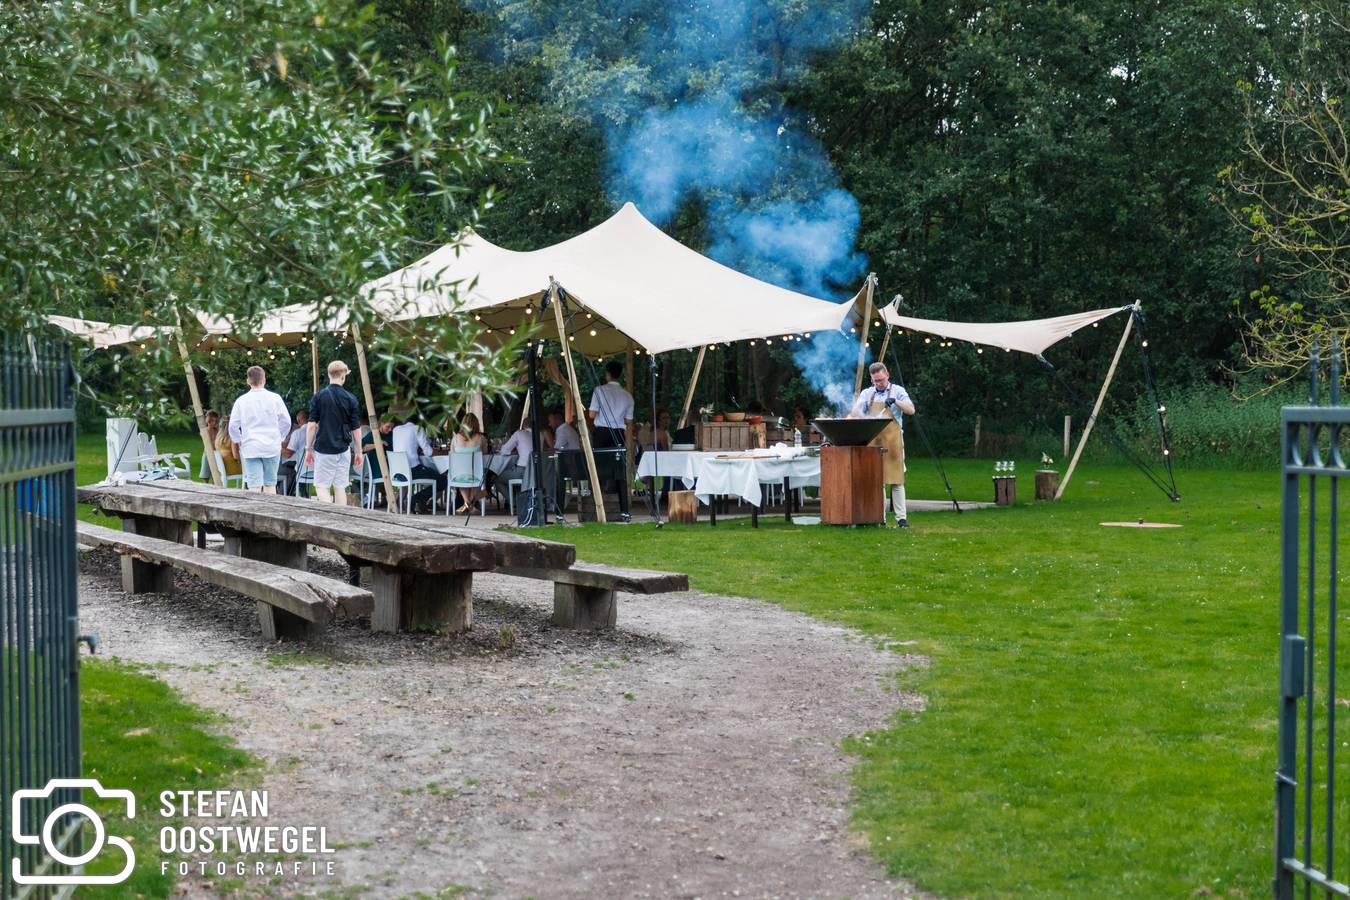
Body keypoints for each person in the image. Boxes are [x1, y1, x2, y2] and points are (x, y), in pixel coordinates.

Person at [850, 361, 916, 527]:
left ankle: (901, 518)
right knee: (876, 479)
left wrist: (895, 401)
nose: (878, 384)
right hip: (874, 439)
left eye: (880, 380)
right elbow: (854, 413)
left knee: (897, 479)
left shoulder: (898, 390)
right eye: (875, 381)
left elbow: (911, 410)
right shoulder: (867, 393)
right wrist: (862, 407)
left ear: (887, 375)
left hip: (893, 438)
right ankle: (879, 517)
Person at [304, 360, 363, 505]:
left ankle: (328, 516)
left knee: (322, 487)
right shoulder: (351, 398)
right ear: (343, 375)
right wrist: (359, 451)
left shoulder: (318, 397)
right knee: (340, 487)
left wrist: (308, 449)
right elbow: (356, 429)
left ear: (329, 374)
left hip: (324, 449)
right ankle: (340, 521)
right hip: (344, 450)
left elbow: (311, 426)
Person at [227, 366, 291, 494]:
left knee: (254, 485)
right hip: (271, 446)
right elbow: (286, 421)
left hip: (251, 446)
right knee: (270, 484)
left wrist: (239, 440)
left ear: (248, 381)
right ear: (264, 380)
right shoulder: (275, 398)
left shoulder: (241, 401)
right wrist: (280, 437)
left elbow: (233, 425)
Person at [390, 413, 446, 513]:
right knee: (442, 480)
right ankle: (416, 499)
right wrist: (446, 452)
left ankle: (420, 503)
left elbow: (406, 446)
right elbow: (429, 452)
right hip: (412, 469)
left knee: (431, 473)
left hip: (398, 470)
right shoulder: (417, 428)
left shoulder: (396, 429)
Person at [587, 360, 634, 449]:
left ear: (608, 373)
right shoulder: (628, 396)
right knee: (616, 461)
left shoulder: (599, 390)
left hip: (602, 433)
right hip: (618, 433)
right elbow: (628, 421)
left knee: (601, 461)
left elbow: (592, 414)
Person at [450, 413, 485, 514]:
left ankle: (467, 503)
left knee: (463, 473)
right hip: (476, 476)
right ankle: (471, 504)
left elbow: (452, 456)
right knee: (477, 473)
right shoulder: (480, 438)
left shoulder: (455, 438)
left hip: (459, 476)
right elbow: (484, 454)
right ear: (476, 424)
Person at [277, 409, 310, 495]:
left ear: (299, 420)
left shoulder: (298, 433)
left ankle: (281, 496)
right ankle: (304, 495)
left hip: (302, 470)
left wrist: (277, 448)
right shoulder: (319, 432)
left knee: (290, 471)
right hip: (317, 469)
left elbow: (288, 453)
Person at [213, 414, 241, 479]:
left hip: (222, 469)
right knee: (250, 466)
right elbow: (236, 456)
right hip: (232, 469)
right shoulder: (232, 438)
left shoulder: (218, 438)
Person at [198, 409, 221, 479]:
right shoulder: (204, 431)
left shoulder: (217, 431)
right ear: (208, 421)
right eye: (212, 421)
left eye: (215, 421)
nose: (214, 423)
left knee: (216, 475)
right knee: (205, 475)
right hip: (207, 454)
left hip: (216, 454)